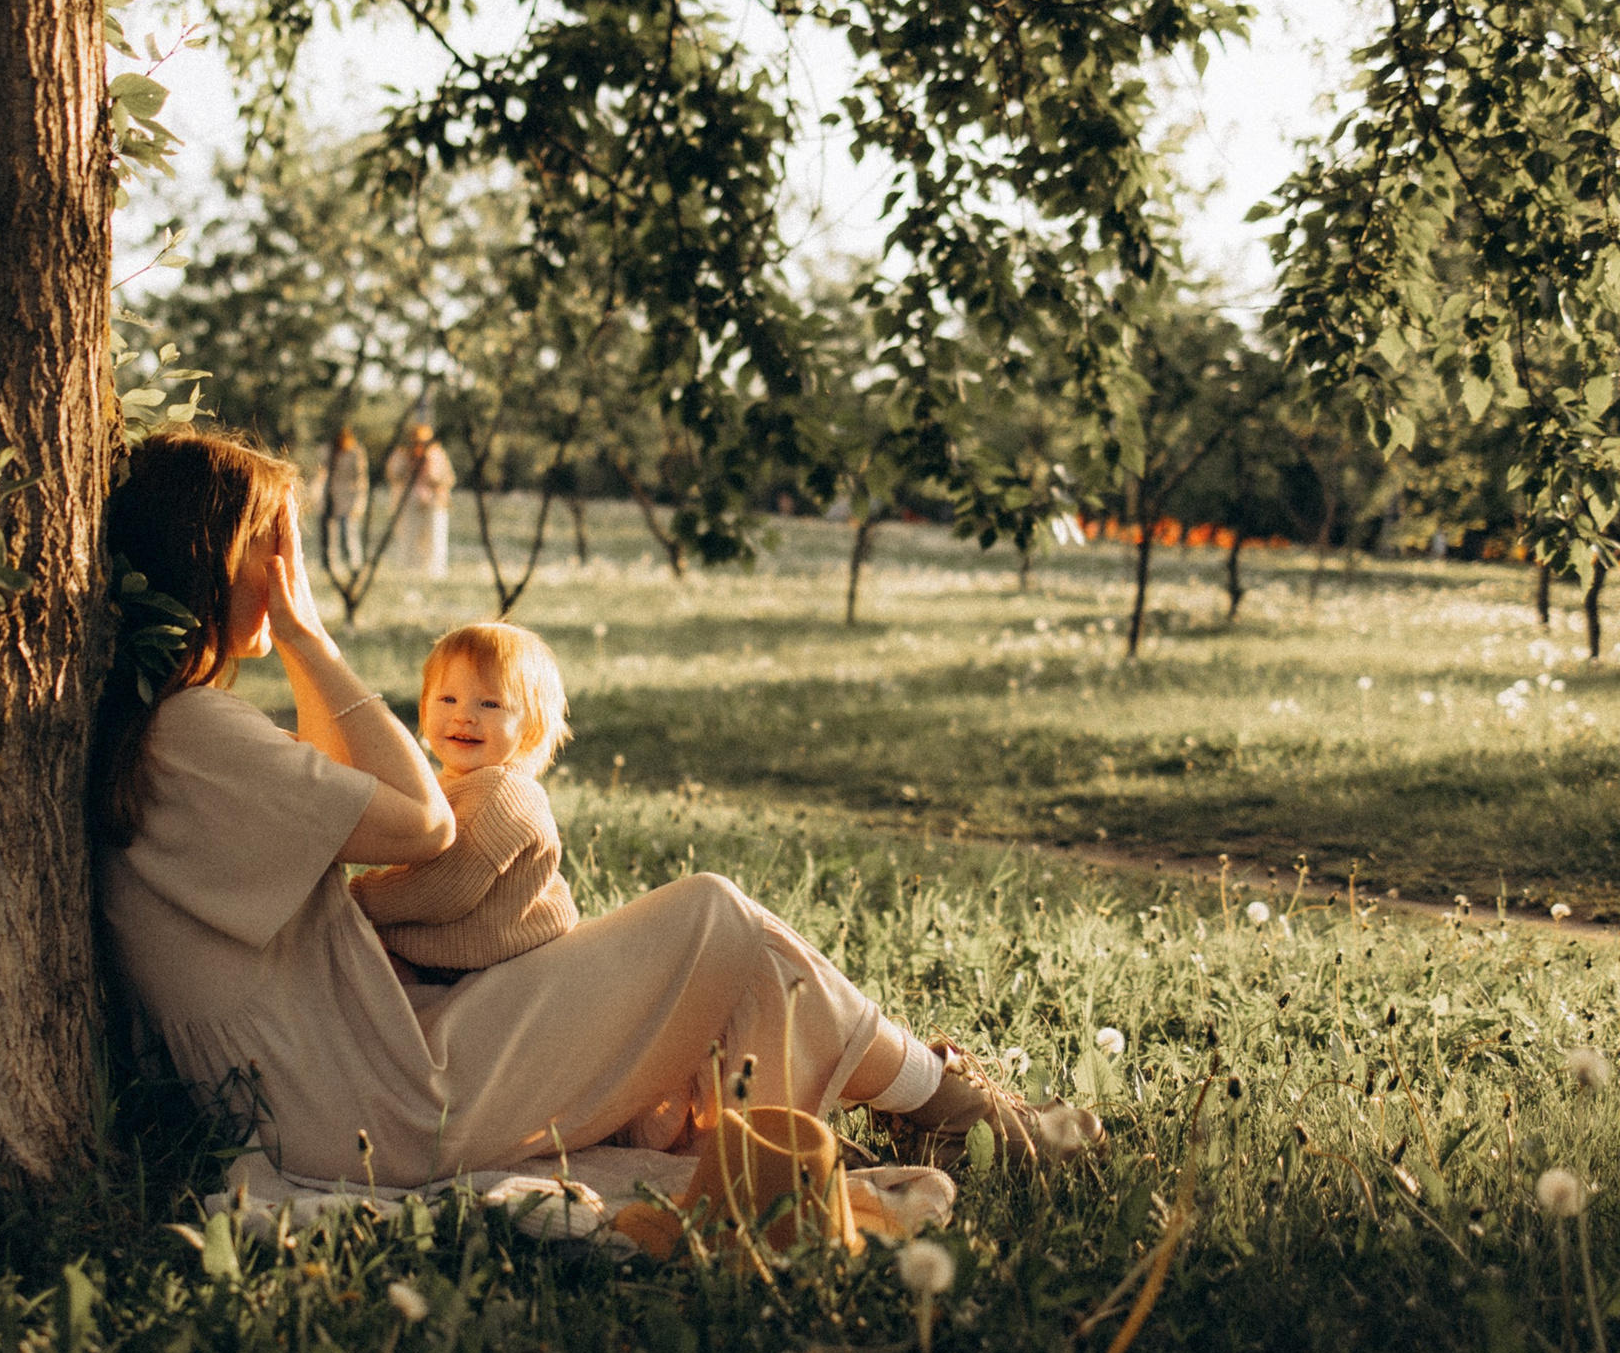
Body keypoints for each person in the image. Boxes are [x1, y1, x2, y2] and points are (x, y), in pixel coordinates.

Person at [88, 429, 1099, 1190]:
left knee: (710, 937)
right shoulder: (193, 736)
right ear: (217, 558)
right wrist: (308, 636)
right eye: (274, 551)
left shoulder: (167, 734)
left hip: (345, 1077)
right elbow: (422, 823)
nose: (287, 572)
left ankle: (923, 1104)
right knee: (714, 919)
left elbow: (335, 781)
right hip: (378, 1103)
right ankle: (951, 1111)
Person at [351, 623, 578, 983]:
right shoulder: (450, 782)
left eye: (490, 704)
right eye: (448, 699)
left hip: (497, 971)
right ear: (424, 709)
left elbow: (441, 890)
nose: (464, 716)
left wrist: (357, 898)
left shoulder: (502, 793)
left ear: (530, 729)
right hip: (446, 956)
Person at [387, 424, 455, 580]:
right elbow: (394, 474)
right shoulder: (401, 455)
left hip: (434, 501)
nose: (419, 445)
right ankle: (409, 571)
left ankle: (435, 572)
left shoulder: (437, 455)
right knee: (408, 537)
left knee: (435, 537)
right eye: (416, 441)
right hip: (408, 501)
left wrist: (431, 468)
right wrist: (407, 461)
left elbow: (447, 478)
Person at [320, 426, 368, 572]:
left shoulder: (355, 453)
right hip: (331, 496)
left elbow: (361, 478)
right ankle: (329, 565)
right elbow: (321, 465)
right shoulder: (331, 451)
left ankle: (354, 564)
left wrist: (359, 502)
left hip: (349, 497)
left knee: (348, 532)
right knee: (330, 533)